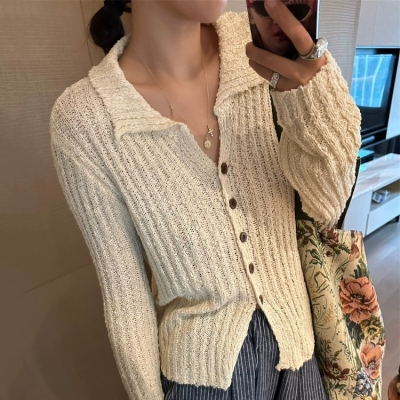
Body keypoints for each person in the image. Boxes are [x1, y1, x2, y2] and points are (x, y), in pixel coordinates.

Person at [49, 0, 361, 398]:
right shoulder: (86, 118)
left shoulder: (258, 47)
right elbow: (126, 297)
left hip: (298, 360)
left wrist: (310, 95)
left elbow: (328, 203)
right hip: (201, 380)